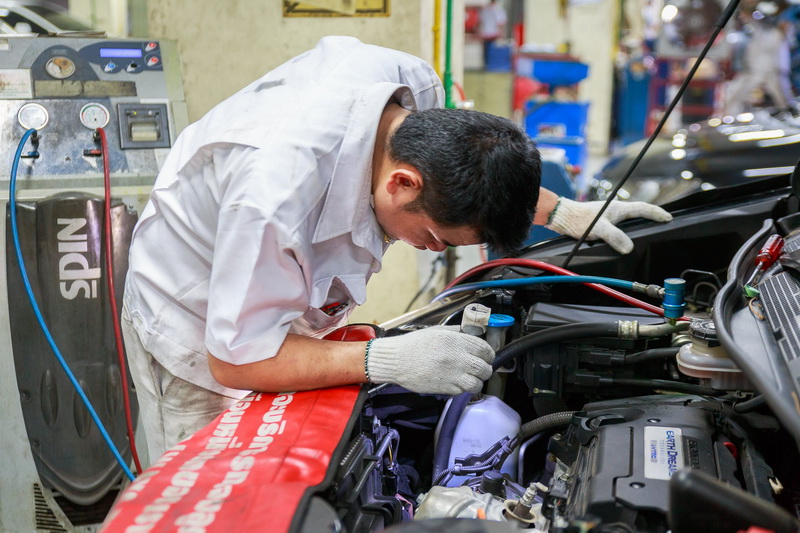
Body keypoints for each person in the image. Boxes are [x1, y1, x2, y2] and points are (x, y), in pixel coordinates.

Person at [122, 36, 672, 462]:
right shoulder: (272, 196)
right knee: (221, 492)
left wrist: (559, 211)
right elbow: (237, 357)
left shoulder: (413, 89)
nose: (426, 248)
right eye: (434, 239)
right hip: (197, 324)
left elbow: (476, 164)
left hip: (273, 287)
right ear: (403, 184)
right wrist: (382, 360)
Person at [478, 0, 508, 67]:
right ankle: (492, 66)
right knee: (494, 51)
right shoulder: (498, 9)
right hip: (494, 33)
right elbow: (500, 23)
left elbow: (480, 22)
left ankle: (486, 65)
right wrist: (502, 34)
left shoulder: (485, 9)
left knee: (486, 51)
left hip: (485, 33)